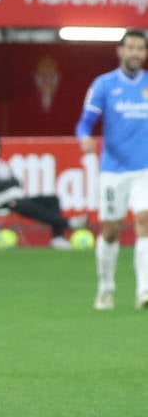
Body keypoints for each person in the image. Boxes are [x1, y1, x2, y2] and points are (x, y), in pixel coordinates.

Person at [75, 30, 148, 311]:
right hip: (114, 170)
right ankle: (106, 287)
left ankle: (144, 290)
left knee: (144, 222)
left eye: (140, 49)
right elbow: (85, 122)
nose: (135, 54)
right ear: (120, 51)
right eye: (131, 48)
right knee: (111, 231)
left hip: (144, 170)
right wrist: (84, 137)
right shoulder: (104, 85)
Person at [0, 132, 79, 250]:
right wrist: (8, 184)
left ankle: (58, 238)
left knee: (52, 200)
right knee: (30, 207)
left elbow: (17, 182)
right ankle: (67, 223)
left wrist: (7, 184)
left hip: (15, 197)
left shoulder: (2, 164)